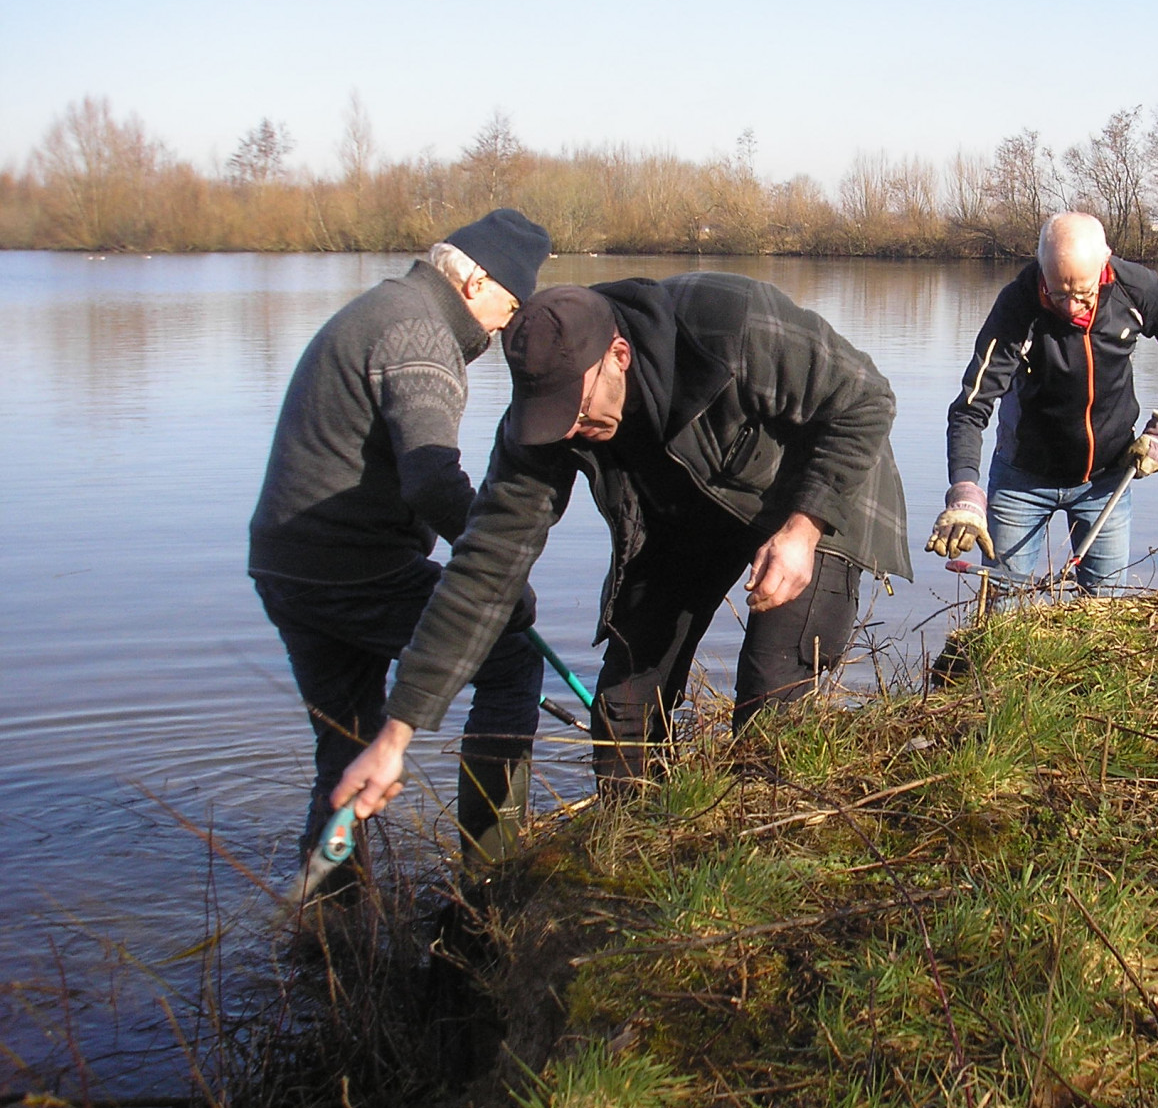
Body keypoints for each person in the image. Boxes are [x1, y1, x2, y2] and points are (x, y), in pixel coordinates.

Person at [329, 272, 913, 820]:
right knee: (624, 705)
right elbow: (485, 568)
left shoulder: (731, 323)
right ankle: (633, 843)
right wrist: (397, 733)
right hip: (689, 510)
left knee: (771, 686)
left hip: (820, 488)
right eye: (554, 421)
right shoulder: (547, 414)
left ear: (619, 357)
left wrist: (801, 530)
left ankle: (759, 854)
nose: (570, 431)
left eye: (579, 414)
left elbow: (866, 401)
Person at [249, 208, 552, 873]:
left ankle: (326, 912)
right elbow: (432, 478)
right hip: (351, 569)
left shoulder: (387, 308)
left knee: (347, 748)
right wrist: (497, 571)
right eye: (511, 301)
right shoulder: (420, 334)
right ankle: (490, 871)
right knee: (506, 655)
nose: (510, 321)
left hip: (286, 566)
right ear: (475, 283)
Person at [927, 211, 1158, 592]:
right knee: (1004, 611)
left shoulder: (1135, 288)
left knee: (1103, 614)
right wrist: (966, 493)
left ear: (1105, 263)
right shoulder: (1017, 308)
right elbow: (970, 409)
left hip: (1107, 480)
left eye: (1083, 294)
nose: (1071, 307)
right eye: (1058, 293)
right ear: (1042, 269)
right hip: (1020, 481)